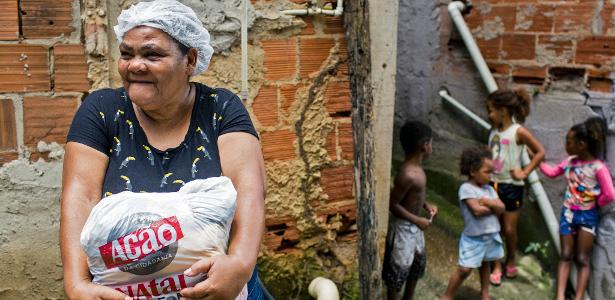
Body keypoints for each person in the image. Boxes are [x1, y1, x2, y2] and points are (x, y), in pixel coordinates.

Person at [59, 1, 266, 299]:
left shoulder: (220, 109)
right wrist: (77, 285)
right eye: (126, 54)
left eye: (152, 54)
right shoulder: (102, 111)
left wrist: (240, 264)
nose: (135, 65)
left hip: (215, 290)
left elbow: (249, 189)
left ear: (190, 60)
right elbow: (80, 196)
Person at [539, 117, 615, 300]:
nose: (566, 145)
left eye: (569, 142)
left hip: (588, 216)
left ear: (581, 144)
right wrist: (537, 160)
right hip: (568, 213)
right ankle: (560, 296)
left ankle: (579, 297)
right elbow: (551, 172)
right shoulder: (569, 162)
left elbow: (610, 194)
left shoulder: (598, 167)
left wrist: (596, 203)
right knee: (565, 255)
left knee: (582, 258)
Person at [485, 89, 545, 285]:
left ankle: (510, 259)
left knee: (509, 229)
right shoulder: (493, 131)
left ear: (503, 110)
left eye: (491, 110)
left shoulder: (518, 131)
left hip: (512, 187)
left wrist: (525, 172)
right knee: (494, 228)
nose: (489, 115)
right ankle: (496, 264)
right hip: (492, 185)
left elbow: (540, 152)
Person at [382, 121, 438, 300]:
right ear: (424, 145)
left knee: (417, 265)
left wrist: (425, 205)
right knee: (398, 270)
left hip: (414, 229)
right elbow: (393, 204)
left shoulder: (417, 170)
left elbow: (412, 196)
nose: (432, 147)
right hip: (404, 230)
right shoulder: (408, 174)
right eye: (431, 142)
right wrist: (417, 220)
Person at [442, 146, 505, 300]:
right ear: (472, 171)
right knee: (464, 269)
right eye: (487, 172)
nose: (490, 176)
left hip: (490, 236)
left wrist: (489, 203)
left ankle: (485, 293)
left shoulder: (489, 191)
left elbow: (502, 208)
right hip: (473, 239)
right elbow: (476, 210)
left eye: (491, 172)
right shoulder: (466, 188)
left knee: (486, 264)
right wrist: (493, 206)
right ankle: (447, 296)